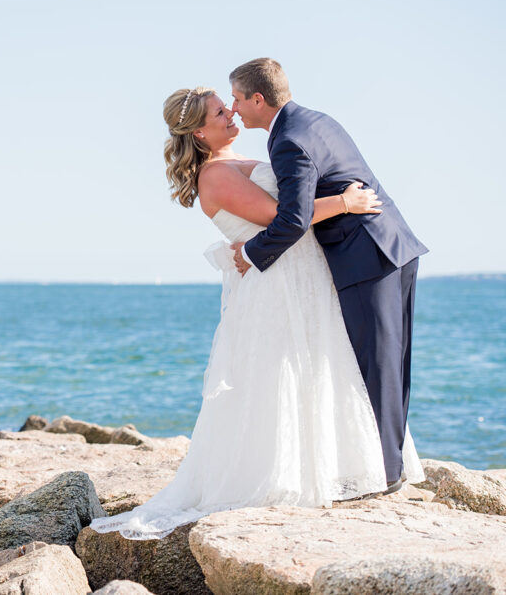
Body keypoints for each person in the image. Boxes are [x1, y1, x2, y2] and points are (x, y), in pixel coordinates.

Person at [89, 85, 422, 540]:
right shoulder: (214, 177)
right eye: (220, 113)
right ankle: (291, 474)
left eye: (229, 107)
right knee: (285, 374)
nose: (231, 115)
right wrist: (345, 203)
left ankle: (339, 466)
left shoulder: (236, 160)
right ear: (201, 134)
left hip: (299, 276)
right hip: (277, 285)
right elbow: (281, 214)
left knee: (323, 367)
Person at [229, 58, 427, 491]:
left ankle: (387, 475)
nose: (235, 108)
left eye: (239, 99)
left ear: (258, 99)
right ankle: (391, 466)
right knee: (392, 364)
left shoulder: (287, 141)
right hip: (395, 245)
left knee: (376, 364)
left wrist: (250, 252)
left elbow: (293, 220)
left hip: (366, 255)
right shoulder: (316, 119)